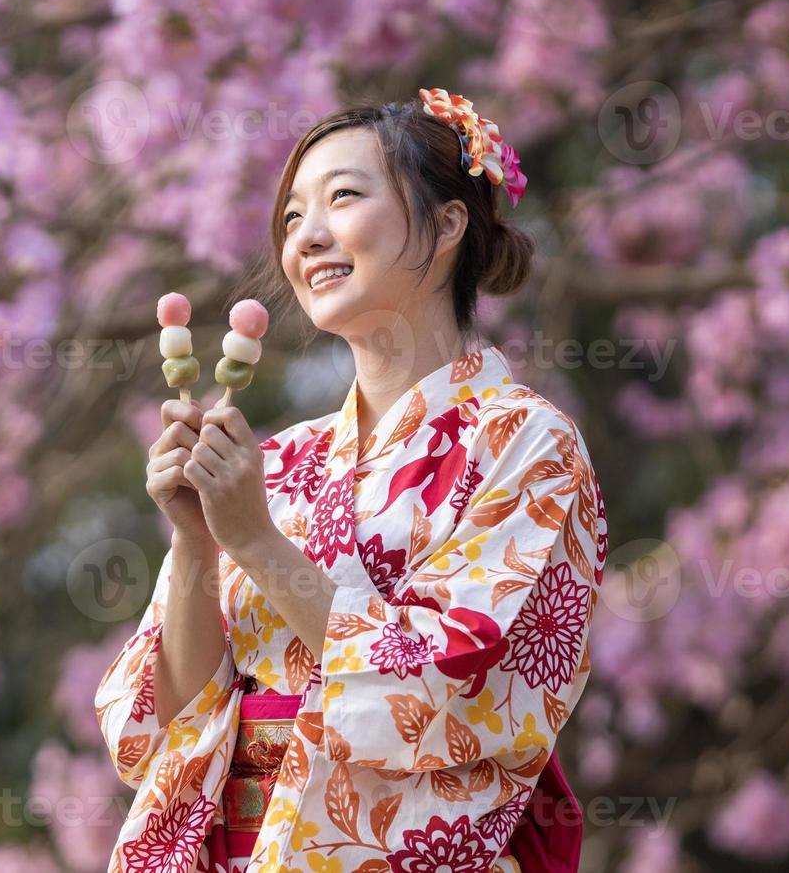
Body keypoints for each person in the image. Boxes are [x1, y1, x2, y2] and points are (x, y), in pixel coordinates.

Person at [95, 89, 608, 873]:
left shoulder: (526, 444)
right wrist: (198, 540)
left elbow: (458, 692)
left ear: (446, 225)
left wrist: (259, 542)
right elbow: (166, 732)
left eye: (343, 197)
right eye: (294, 216)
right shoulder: (280, 461)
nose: (309, 236)